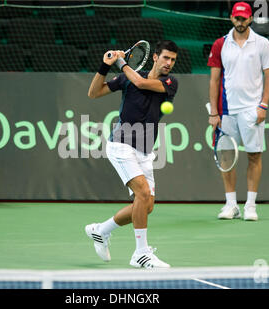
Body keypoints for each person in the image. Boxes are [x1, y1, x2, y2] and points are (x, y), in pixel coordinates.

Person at [85, 40, 178, 268]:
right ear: (155, 57)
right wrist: (105, 66)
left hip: (145, 151)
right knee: (143, 193)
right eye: (165, 57)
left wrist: (122, 63)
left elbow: (141, 82)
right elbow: (93, 93)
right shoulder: (128, 76)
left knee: (145, 205)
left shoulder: (169, 82)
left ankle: (101, 230)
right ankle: (140, 253)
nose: (169, 63)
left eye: (173, 60)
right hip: (121, 145)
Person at [208, 1, 269, 221]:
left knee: (254, 155)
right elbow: (214, 79)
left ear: (250, 19)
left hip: (252, 109)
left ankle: (251, 205)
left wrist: (263, 105)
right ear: (231, 18)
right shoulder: (220, 44)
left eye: (244, 18)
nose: (240, 22)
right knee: (227, 156)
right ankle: (231, 205)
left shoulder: (262, 43)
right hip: (227, 110)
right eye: (236, 18)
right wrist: (214, 113)